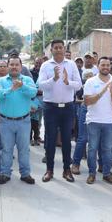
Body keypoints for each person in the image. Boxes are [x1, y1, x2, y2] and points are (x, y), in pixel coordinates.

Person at [37, 39, 81, 182]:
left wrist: (68, 82)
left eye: (60, 47)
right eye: (55, 48)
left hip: (67, 107)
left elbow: (79, 85)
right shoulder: (45, 65)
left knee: (67, 140)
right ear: (51, 50)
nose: (58, 50)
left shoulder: (71, 64)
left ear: (64, 49)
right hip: (50, 107)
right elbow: (41, 86)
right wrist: (54, 78)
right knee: (50, 139)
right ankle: (49, 170)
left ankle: (67, 170)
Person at [0, 55, 37, 185]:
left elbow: (33, 93)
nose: (14, 67)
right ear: (8, 66)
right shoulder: (1, 81)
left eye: (17, 64)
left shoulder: (27, 80)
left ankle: (25, 174)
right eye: (11, 64)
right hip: (5, 121)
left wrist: (22, 87)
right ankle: (5, 173)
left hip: (24, 121)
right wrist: (10, 89)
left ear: (21, 67)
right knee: (6, 149)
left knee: (24, 149)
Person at [83, 56, 112, 185]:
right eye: (103, 65)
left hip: (109, 121)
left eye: (107, 65)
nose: (105, 67)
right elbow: (87, 101)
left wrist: (111, 91)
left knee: (107, 149)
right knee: (92, 149)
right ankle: (92, 174)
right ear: (98, 66)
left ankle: (107, 174)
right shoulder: (90, 81)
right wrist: (101, 92)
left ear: (110, 66)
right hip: (93, 121)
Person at [70, 68, 95, 175]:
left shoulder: (100, 83)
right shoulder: (82, 87)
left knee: (99, 141)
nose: (89, 77)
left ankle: (102, 165)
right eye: (87, 75)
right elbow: (77, 99)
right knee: (83, 138)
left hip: (99, 112)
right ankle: (75, 163)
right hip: (85, 110)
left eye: (91, 75)